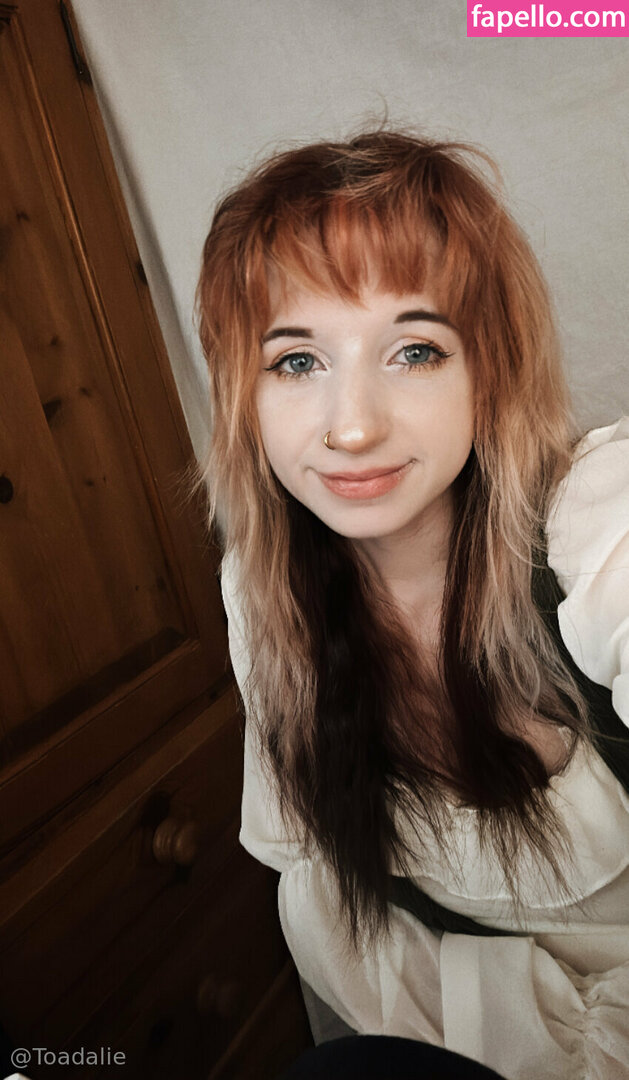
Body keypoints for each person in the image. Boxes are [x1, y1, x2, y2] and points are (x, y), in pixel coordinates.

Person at [194, 131, 629, 1080]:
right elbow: (330, 903)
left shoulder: (598, 521)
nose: (352, 427)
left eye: (415, 350)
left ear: (490, 367)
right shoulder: (262, 596)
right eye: (296, 362)